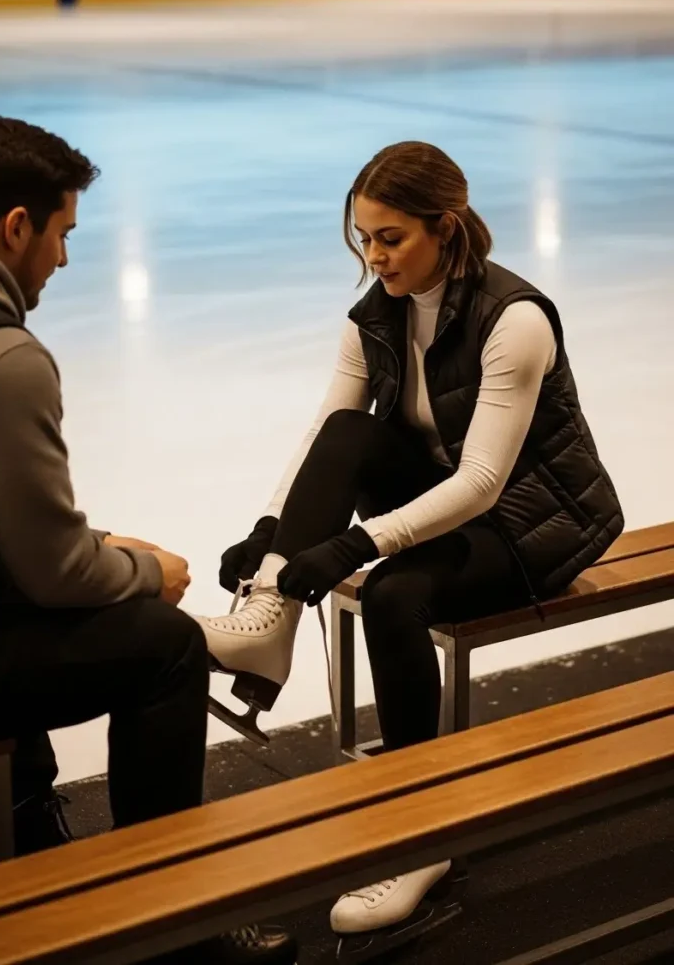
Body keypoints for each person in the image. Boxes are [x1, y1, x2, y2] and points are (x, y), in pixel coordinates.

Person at [197, 140, 624, 943]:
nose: (374, 255)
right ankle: (268, 624)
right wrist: (272, 540)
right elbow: (329, 437)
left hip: (532, 521)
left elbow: (484, 483)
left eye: (391, 237)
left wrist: (359, 547)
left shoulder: (515, 319)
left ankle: (419, 840)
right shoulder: (374, 316)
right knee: (352, 432)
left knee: (395, 595)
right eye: (363, 236)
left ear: (447, 227)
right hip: (439, 497)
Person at [0, 115, 296, 965]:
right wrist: (142, 570)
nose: (64, 260)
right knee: (161, 644)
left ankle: (29, 838)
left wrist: (100, 546)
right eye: (61, 234)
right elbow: (51, 571)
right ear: (16, 227)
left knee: (16, 609)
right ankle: (173, 925)